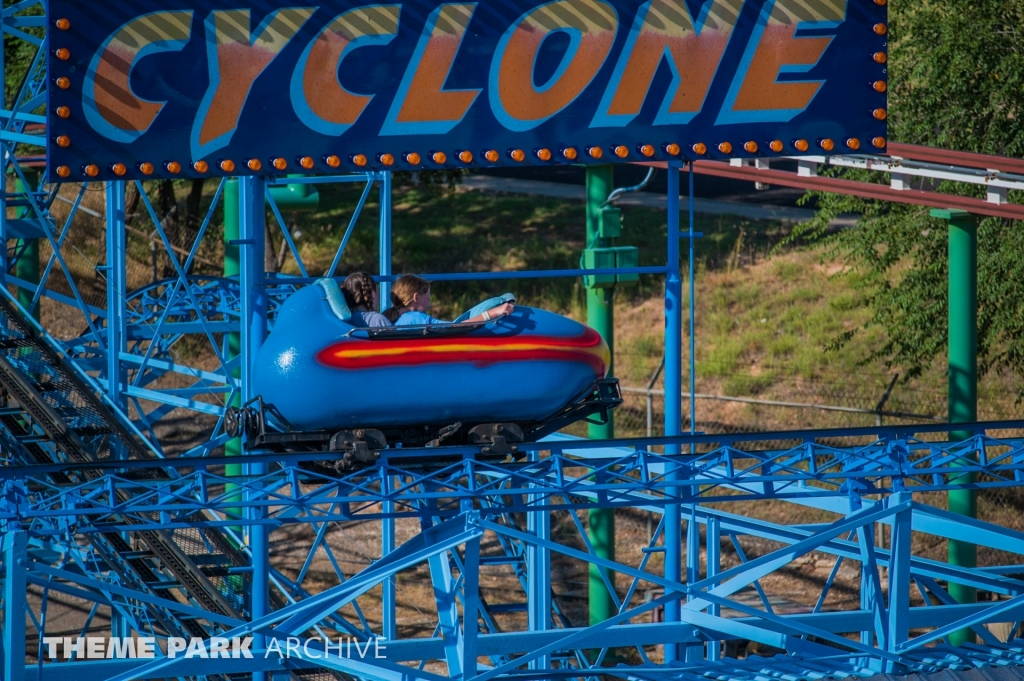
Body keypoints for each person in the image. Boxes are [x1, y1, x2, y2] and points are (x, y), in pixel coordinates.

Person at [384, 274, 513, 325]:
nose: (430, 304)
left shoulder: (394, 319)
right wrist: (492, 313)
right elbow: (455, 328)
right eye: (428, 299)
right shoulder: (418, 319)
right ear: (416, 297)